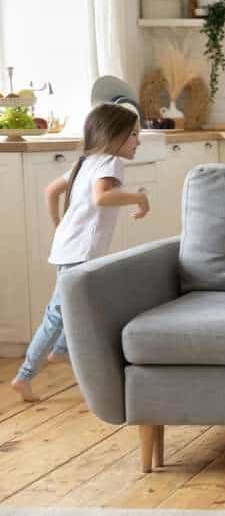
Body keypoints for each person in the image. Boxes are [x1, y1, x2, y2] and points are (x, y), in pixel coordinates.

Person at [11, 103, 149, 402]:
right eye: (134, 135)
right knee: (58, 312)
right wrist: (138, 198)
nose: (138, 141)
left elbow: (51, 190)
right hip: (81, 251)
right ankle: (24, 375)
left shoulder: (86, 161)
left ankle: (61, 351)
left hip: (70, 246)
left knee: (80, 303)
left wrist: (58, 224)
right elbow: (103, 197)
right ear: (115, 136)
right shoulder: (111, 162)